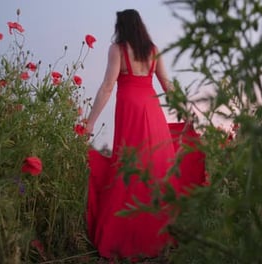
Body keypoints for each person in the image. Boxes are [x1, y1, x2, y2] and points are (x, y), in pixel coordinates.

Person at [84, 9, 185, 260]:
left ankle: (128, 236)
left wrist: (89, 123)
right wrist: (185, 112)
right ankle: (161, 236)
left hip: (130, 108)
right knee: (157, 165)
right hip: (151, 109)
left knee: (129, 165)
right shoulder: (152, 50)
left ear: (121, 27)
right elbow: (167, 84)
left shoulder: (117, 49)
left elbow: (107, 86)